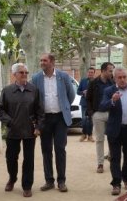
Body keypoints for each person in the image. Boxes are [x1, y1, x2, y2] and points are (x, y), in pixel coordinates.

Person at [0, 63, 44, 198]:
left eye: (26, 73)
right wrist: (10, 121)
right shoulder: (7, 91)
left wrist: (38, 126)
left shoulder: (34, 90)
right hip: (13, 131)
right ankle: (12, 178)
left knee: (28, 160)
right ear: (14, 74)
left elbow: (40, 111)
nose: (24, 75)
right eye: (21, 72)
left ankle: (27, 186)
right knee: (11, 158)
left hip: (30, 131)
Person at [31, 53, 75, 193]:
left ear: (52, 62)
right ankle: (49, 180)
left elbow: (71, 95)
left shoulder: (63, 76)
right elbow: (34, 99)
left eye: (44, 60)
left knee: (60, 149)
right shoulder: (36, 78)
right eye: (41, 60)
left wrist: (64, 106)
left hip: (60, 118)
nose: (42, 62)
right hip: (44, 119)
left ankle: (61, 181)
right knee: (46, 150)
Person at [99, 67, 127, 196]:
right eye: (119, 77)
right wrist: (112, 100)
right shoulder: (109, 90)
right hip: (115, 129)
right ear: (115, 78)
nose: (122, 79)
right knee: (115, 158)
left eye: (124, 77)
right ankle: (116, 183)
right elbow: (102, 106)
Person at [86, 62, 115, 174]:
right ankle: (100, 163)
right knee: (99, 139)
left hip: (111, 113)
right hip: (98, 114)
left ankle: (111, 157)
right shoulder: (93, 83)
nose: (111, 73)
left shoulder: (112, 82)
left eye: (112, 71)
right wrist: (91, 113)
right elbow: (88, 98)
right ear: (103, 71)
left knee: (113, 138)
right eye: (110, 70)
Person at [77, 67, 95, 142]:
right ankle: (84, 134)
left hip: (93, 104)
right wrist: (83, 92)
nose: (90, 74)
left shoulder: (96, 81)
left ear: (94, 73)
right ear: (87, 73)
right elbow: (78, 91)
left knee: (90, 120)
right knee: (84, 120)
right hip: (84, 103)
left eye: (92, 72)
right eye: (89, 72)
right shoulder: (83, 81)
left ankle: (90, 136)